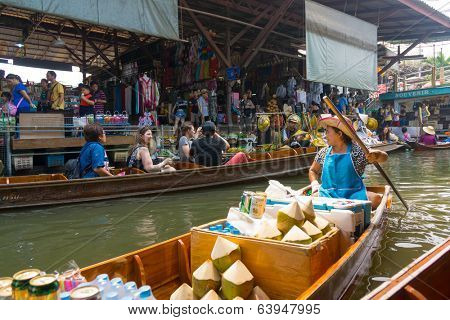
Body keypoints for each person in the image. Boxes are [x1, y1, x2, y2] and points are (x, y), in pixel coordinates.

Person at [309, 115, 388, 208]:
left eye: (327, 132)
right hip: (327, 195)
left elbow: (384, 157)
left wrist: (377, 155)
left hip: (353, 195)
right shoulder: (323, 152)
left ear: (339, 134)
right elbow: (313, 170)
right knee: (308, 201)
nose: (325, 136)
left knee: (377, 199)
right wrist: (314, 184)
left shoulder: (357, 151)